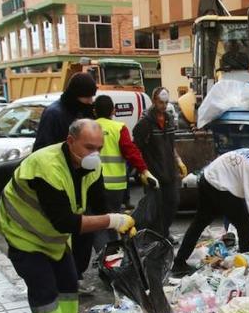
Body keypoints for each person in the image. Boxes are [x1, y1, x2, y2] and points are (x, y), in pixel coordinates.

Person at [0, 119, 136, 313]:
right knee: (45, 292)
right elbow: (67, 222)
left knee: (69, 286)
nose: (94, 154)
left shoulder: (91, 167)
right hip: (24, 233)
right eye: (88, 147)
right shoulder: (46, 167)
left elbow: (98, 203)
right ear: (70, 141)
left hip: (53, 239)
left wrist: (120, 222)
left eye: (98, 147)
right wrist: (112, 220)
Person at [170, 149, 249, 275]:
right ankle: (244, 266)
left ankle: (179, 262)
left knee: (199, 223)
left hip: (208, 179)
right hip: (219, 186)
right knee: (244, 224)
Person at [33, 72, 99, 283]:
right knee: (65, 232)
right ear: (75, 94)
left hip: (82, 184)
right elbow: (43, 152)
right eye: (86, 97)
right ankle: (63, 276)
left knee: (84, 235)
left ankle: (75, 275)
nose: (90, 101)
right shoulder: (54, 114)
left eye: (92, 97)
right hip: (60, 184)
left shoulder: (86, 113)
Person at [92, 94, 158, 254]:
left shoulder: (87, 127)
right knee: (113, 222)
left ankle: (106, 256)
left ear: (94, 111)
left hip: (93, 185)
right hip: (116, 186)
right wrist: (144, 171)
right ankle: (114, 256)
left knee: (98, 222)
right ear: (113, 111)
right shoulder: (119, 128)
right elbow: (131, 152)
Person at [132, 87, 187, 240]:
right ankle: (151, 235)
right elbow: (136, 148)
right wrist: (142, 171)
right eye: (160, 102)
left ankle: (163, 232)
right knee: (155, 207)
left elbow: (171, 145)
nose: (163, 106)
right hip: (154, 172)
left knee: (173, 202)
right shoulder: (145, 123)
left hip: (169, 170)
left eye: (166, 102)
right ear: (154, 101)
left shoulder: (169, 119)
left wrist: (178, 160)